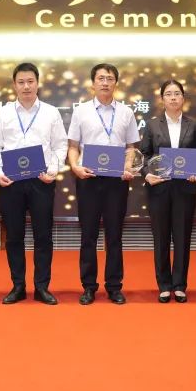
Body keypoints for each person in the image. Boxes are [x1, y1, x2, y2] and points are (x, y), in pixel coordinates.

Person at [0, 63, 68, 305]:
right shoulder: (3, 114)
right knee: (14, 236)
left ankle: (42, 287)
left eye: (30, 81)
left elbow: (60, 146)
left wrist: (53, 170)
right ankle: (18, 286)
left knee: (43, 236)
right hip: (11, 182)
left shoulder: (51, 113)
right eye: (21, 82)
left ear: (38, 83)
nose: (26, 86)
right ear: (14, 85)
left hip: (41, 181)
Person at [66, 63, 141, 305]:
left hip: (116, 181)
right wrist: (75, 167)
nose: (105, 82)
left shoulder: (126, 112)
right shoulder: (81, 111)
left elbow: (131, 147)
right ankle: (88, 286)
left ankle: (114, 286)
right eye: (101, 78)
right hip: (88, 179)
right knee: (88, 235)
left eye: (109, 78)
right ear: (93, 83)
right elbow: (73, 146)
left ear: (116, 83)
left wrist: (128, 167)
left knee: (114, 235)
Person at [139, 79, 196, 303]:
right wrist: (147, 174)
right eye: (169, 94)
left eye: (177, 93)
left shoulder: (194, 125)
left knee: (182, 237)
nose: (173, 97)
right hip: (159, 187)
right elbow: (144, 155)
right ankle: (164, 285)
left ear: (183, 98)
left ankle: (180, 285)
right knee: (161, 237)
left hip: (185, 188)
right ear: (162, 99)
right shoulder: (152, 125)